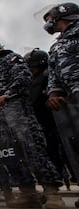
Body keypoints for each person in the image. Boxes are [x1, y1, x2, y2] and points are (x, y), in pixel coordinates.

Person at [0, 36, 65, 209]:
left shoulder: (11, 60)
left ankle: (52, 193)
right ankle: (28, 193)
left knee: (34, 151)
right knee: (12, 156)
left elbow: (24, 77)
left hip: (18, 113)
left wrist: (8, 93)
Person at [42, 2, 79, 207]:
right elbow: (54, 74)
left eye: (49, 19)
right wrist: (54, 92)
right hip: (71, 100)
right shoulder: (57, 46)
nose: (47, 23)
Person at [24, 48, 72, 191]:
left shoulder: (48, 77)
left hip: (55, 120)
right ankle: (53, 185)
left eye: (32, 66)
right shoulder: (34, 80)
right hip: (42, 121)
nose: (31, 69)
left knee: (65, 152)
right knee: (51, 152)